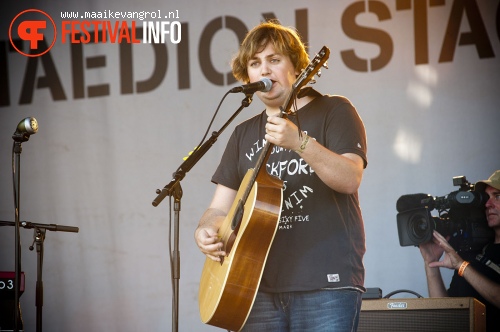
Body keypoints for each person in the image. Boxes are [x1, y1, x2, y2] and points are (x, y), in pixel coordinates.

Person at [194, 21, 367, 331]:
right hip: (253, 287)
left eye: (274, 60)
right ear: (247, 76)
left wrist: (300, 142)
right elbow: (219, 209)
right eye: (255, 63)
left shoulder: (335, 110)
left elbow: (350, 177)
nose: (265, 70)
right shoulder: (242, 133)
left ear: (297, 67)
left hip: (325, 284)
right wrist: (206, 231)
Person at [419, 170, 500, 331]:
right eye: (486, 198)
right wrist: (430, 263)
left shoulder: (463, 263)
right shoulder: (473, 253)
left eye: (497, 196)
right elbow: (445, 313)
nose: (487, 204)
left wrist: (461, 265)